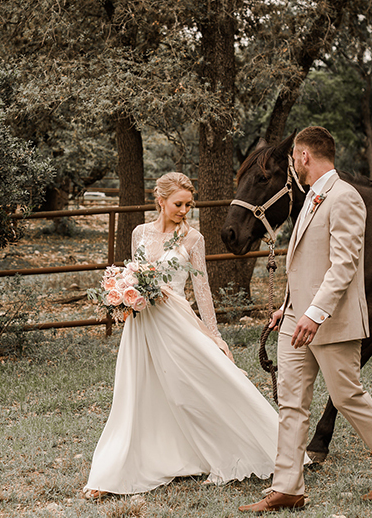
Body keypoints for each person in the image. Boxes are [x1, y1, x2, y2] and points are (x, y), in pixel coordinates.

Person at [239, 127, 372, 513]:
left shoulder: (345, 197)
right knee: (291, 403)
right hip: (295, 320)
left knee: (347, 396)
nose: (293, 165)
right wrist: (288, 306)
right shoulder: (309, 198)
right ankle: (287, 488)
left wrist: (315, 314)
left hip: (329, 322)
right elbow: (307, 265)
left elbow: (344, 264)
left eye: (293, 158)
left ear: (303, 156)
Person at [83, 172, 278, 499]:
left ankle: (241, 452)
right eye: (178, 203)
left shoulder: (193, 239)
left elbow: (201, 291)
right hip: (142, 325)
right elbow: (134, 272)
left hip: (177, 323)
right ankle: (110, 475)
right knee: (135, 395)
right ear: (160, 200)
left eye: (189, 204)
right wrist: (123, 294)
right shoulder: (139, 233)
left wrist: (214, 336)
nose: (184, 209)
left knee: (195, 388)